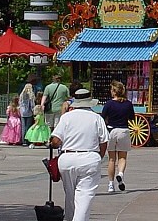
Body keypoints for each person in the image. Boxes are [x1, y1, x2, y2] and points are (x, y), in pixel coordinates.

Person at [49, 88, 108, 221]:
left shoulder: (67, 117)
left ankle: (69, 217)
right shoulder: (96, 118)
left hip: (67, 159)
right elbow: (104, 141)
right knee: (84, 197)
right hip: (89, 158)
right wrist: (99, 156)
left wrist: (52, 142)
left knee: (70, 195)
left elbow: (56, 141)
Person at [100, 81, 136, 193]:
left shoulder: (109, 104)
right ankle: (120, 174)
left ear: (115, 92)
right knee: (123, 157)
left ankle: (110, 184)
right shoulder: (128, 104)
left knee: (111, 159)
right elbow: (132, 118)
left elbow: (102, 117)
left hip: (111, 130)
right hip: (123, 130)